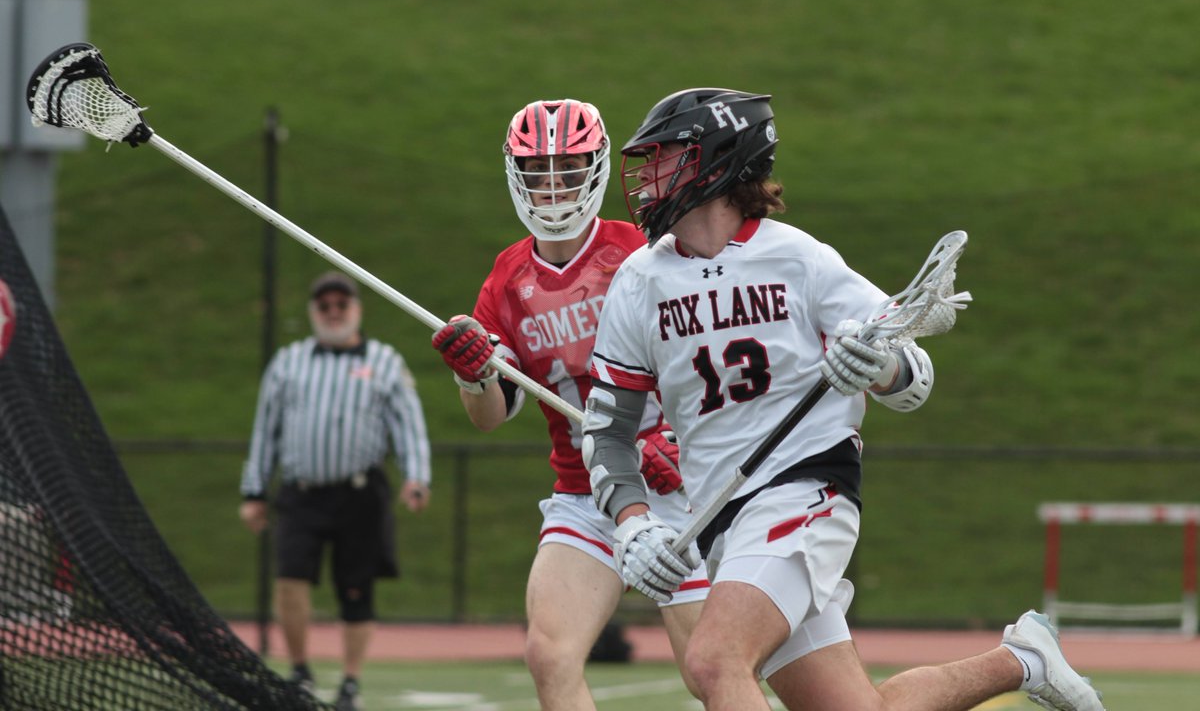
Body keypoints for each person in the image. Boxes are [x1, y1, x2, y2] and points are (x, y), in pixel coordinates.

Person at [580, 88, 1106, 711]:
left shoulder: (799, 259)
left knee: (714, 660)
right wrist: (632, 526)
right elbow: (608, 430)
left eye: (667, 157)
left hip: (804, 491)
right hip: (723, 521)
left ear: (718, 160)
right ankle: (1023, 660)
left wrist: (876, 365)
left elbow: (915, 378)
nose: (648, 177)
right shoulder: (639, 282)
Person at [430, 99, 709, 710]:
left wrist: (680, 443)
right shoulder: (506, 280)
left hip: (676, 485)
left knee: (710, 671)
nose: (552, 185)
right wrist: (472, 378)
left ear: (597, 169)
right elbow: (492, 416)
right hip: (585, 492)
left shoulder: (644, 251)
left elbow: (702, 358)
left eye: (567, 167)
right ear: (515, 175)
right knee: (549, 654)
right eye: (537, 171)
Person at [239, 270, 432, 711]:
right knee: (290, 579)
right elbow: (265, 430)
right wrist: (254, 491)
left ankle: (350, 682)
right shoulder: (288, 362)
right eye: (324, 306)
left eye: (340, 305)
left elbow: (409, 426)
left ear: (356, 310)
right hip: (301, 493)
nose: (333, 313)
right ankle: (301, 672)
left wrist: (416, 478)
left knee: (356, 590)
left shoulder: (384, 361)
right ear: (313, 312)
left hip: (359, 494)